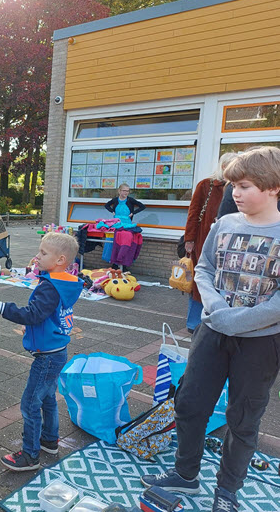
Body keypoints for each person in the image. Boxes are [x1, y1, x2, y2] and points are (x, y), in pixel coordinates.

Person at [140, 146, 280, 512]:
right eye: (234, 184)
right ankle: (186, 476)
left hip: (260, 343)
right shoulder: (223, 225)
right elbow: (203, 270)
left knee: (243, 418)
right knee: (188, 403)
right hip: (212, 332)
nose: (235, 192)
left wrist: (235, 321)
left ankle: (227, 490)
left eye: (246, 185)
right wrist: (217, 309)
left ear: (274, 187)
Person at [0, 232, 83, 471]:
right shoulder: (64, 282)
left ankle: (30, 455)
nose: (37, 256)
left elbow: (33, 313)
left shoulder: (50, 287)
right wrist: (36, 325)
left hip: (47, 356)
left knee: (30, 403)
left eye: (43, 253)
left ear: (60, 260)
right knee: (47, 399)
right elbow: (48, 315)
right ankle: (49, 441)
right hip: (57, 350)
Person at [182, 153, 235, 332]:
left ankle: (214, 321)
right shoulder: (207, 185)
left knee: (219, 283)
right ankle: (193, 323)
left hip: (229, 246)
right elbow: (194, 212)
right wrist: (189, 239)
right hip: (204, 242)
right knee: (199, 282)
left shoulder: (238, 187)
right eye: (228, 166)